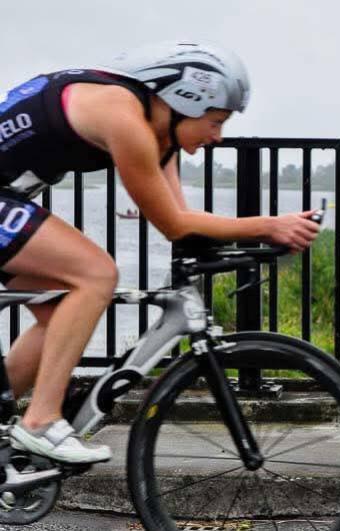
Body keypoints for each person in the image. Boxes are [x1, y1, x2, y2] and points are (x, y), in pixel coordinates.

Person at [0, 41, 320, 463]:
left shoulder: (156, 131)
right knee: (95, 275)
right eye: (215, 120)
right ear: (185, 101)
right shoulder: (123, 119)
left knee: (62, 308)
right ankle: (40, 422)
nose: (218, 136)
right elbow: (174, 224)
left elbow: (181, 222)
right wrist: (267, 226)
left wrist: (249, 241)